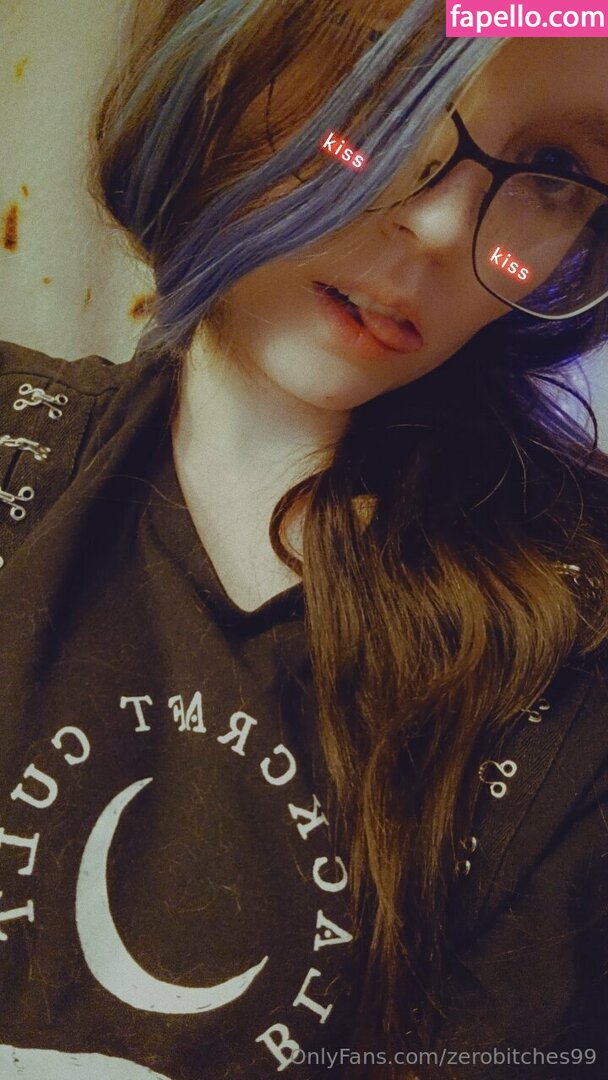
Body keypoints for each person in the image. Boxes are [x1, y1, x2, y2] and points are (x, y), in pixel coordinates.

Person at [0, 3, 607, 1078]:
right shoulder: (21, 449)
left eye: (555, 171)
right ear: (231, 56)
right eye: (388, 85)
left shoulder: (571, 655)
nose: (440, 224)